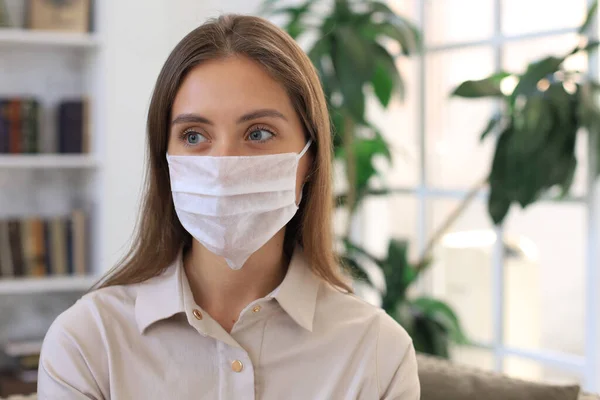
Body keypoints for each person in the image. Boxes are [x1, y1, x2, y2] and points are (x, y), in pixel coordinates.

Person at [37, 14, 420, 400]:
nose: (222, 166)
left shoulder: (377, 353)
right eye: (194, 135)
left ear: (310, 160)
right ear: (164, 160)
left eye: (258, 133)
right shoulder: (87, 342)